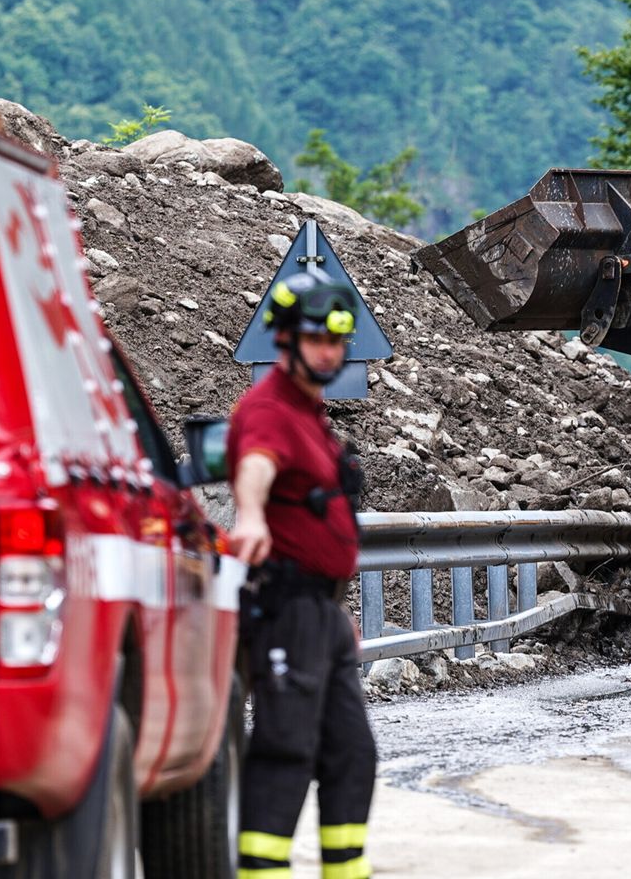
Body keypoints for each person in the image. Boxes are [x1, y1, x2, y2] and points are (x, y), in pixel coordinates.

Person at [227, 268, 377, 879]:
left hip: (323, 612)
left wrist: (337, 613)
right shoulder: (269, 410)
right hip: (285, 605)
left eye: (338, 341)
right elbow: (256, 464)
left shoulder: (311, 414)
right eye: (317, 338)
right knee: (287, 747)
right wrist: (251, 517)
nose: (330, 351)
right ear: (285, 340)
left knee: (350, 752)